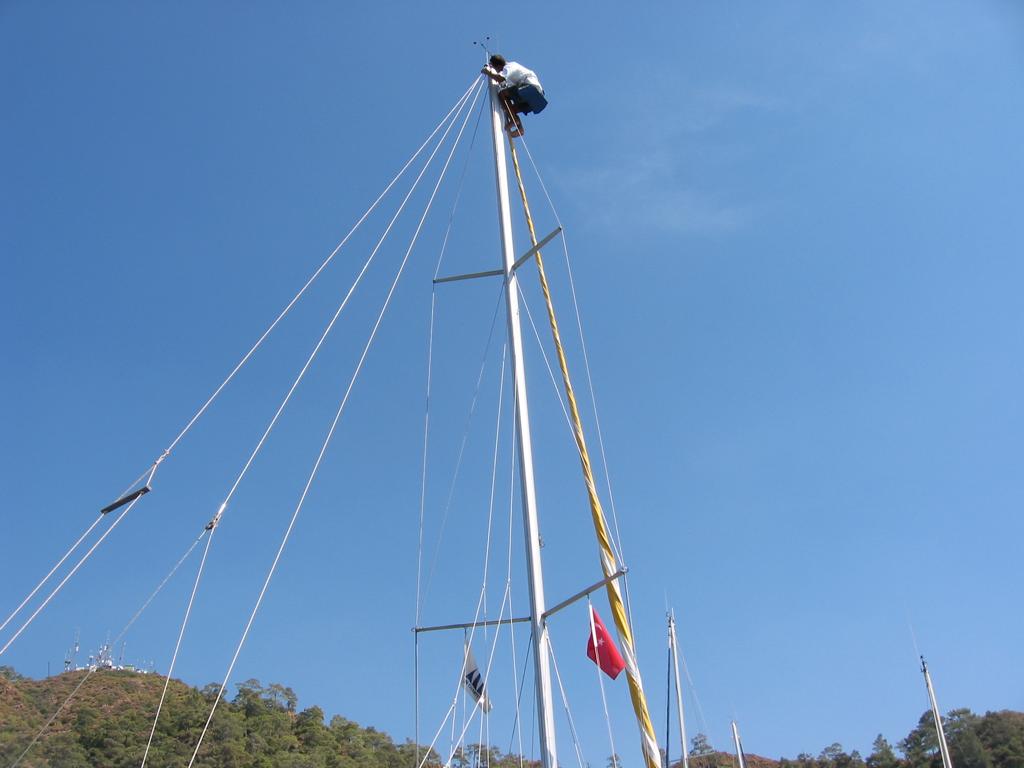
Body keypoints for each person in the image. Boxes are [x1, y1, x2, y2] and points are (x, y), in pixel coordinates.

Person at [481, 54, 547, 137]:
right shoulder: (513, 68)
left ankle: (514, 120)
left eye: (496, 69)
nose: (498, 72)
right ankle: (520, 129)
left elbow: (500, 79)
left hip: (530, 89)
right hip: (536, 99)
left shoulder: (509, 67)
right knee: (510, 110)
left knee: (502, 94)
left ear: (498, 66)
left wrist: (488, 72)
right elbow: (506, 85)